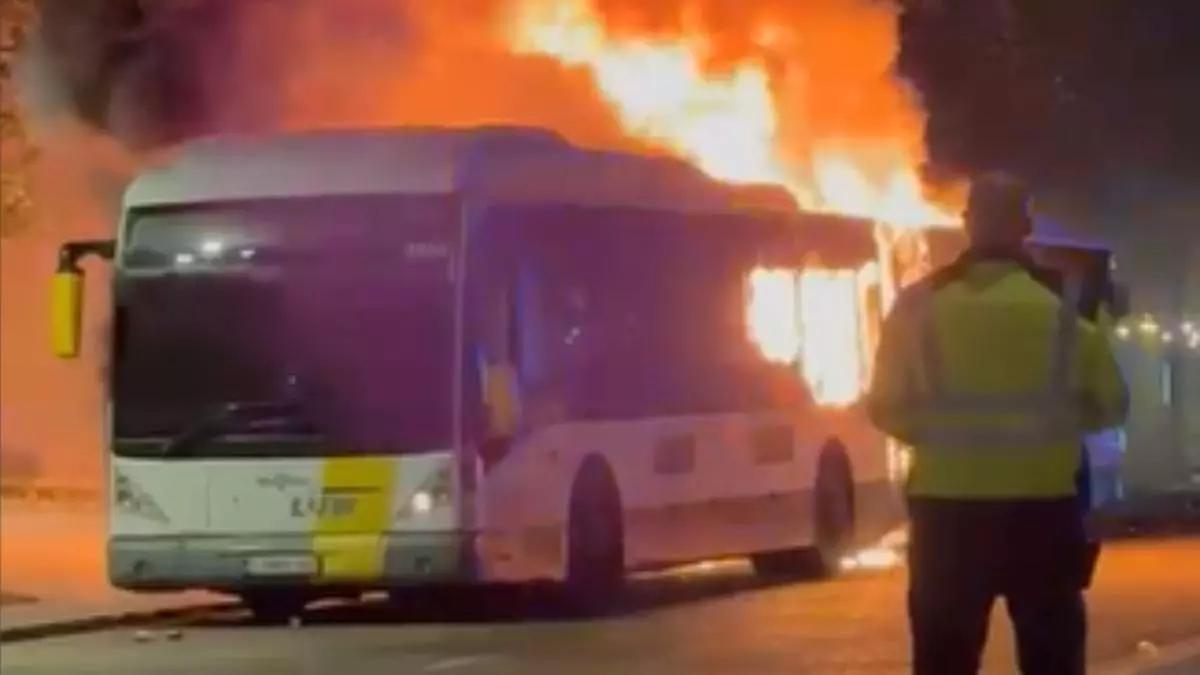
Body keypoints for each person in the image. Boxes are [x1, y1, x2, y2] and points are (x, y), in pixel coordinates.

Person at [867, 173, 1129, 675]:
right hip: (1044, 514)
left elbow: (885, 407)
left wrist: (945, 440)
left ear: (968, 224)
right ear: (1025, 226)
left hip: (947, 518)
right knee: (1051, 657)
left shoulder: (917, 307)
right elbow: (1111, 406)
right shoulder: (1062, 314)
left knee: (945, 659)